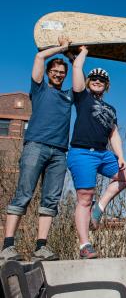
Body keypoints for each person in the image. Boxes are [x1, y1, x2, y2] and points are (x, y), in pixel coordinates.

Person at [1, 37, 74, 262]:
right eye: (55, 70)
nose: (59, 74)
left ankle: (41, 247)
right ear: (49, 72)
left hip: (59, 152)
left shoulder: (70, 95)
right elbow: (39, 57)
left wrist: (76, 56)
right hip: (36, 147)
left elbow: (80, 80)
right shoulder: (40, 88)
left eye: (63, 72)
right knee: (23, 194)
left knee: (51, 200)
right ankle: (7, 247)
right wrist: (61, 48)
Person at [67, 48, 126, 259]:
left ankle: (101, 206)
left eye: (102, 79)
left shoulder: (111, 108)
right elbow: (77, 67)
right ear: (89, 82)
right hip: (82, 152)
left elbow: (114, 134)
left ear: (107, 85)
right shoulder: (82, 98)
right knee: (84, 197)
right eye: (94, 78)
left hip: (103, 153)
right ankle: (84, 244)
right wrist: (83, 52)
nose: (97, 80)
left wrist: (121, 156)